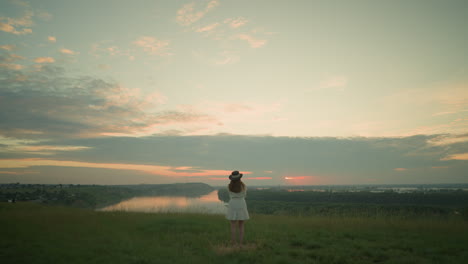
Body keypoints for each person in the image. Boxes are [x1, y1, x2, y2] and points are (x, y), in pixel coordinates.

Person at [226, 170, 249, 246]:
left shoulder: (229, 186)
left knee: (233, 225)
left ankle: (233, 242)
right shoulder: (243, 186)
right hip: (241, 203)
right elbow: (244, 195)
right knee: (241, 225)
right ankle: (241, 243)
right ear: (239, 178)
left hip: (233, 203)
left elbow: (229, 194)